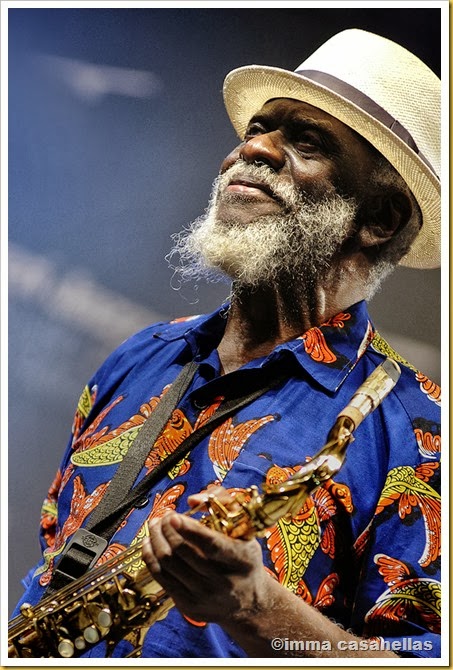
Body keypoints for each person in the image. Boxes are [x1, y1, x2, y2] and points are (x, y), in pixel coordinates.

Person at [11, 29, 441, 659]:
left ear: (378, 220)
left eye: (306, 142)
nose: (254, 149)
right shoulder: (139, 357)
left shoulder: (419, 429)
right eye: (257, 129)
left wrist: (255, 608)